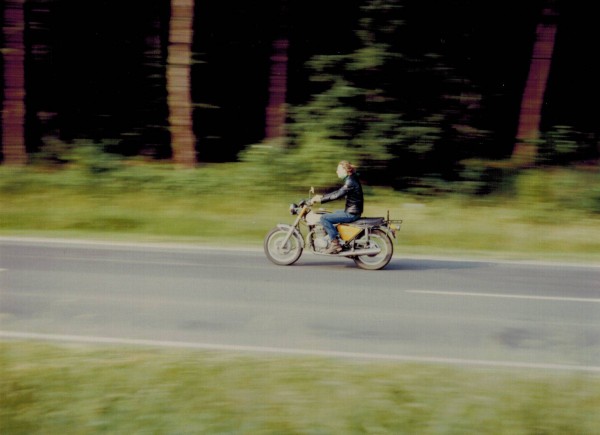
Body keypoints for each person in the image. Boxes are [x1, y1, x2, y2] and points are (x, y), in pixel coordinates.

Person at [311, 161, 363, 254]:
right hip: (352, 210)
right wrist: (322, 197)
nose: (337, 172)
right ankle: (336, 237)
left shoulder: (350, 181)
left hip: (351, 213)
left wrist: (320, 200)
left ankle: (335, 244)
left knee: (324, 218)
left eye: (338, 170)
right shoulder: (351, 178)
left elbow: (337, 195)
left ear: (345, 170)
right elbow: (338, 192)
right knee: (333, 214)